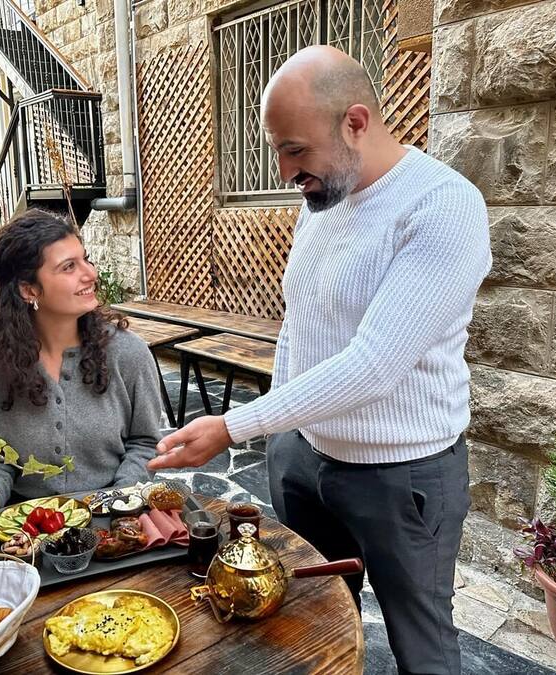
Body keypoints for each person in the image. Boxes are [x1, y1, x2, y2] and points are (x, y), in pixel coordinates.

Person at [148, 46, 491, 675]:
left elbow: (374, 364)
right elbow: (302, 327)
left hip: (400, 474)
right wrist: (285, 442)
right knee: (318, 620)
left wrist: (236, 425)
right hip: (302, 462)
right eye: (279, 149)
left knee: (423, 644)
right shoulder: (324, 200)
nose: (284, 171)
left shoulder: (444, 207)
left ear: (356, 122)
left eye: (296, 150)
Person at [0, 209, 161, 535]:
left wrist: (116, 502)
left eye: (85, 259)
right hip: (22, 532)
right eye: (69, 267)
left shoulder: (129, 354)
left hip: (114, 526)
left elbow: (145, 443)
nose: (90, 274)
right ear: (28, 290)